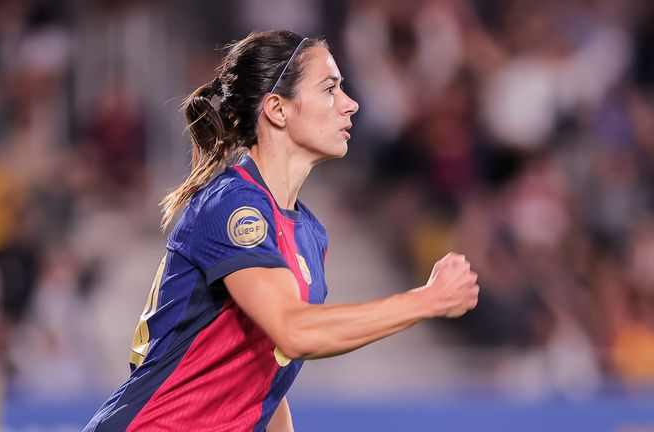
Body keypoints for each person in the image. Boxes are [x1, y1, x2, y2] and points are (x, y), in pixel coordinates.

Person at [83, 30, 479, 432]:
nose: (350, 103)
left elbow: (263, 375)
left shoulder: (309, 233)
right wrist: (428, 300)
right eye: (330, 89)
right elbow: (295, 331)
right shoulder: (234, 205)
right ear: (277, 109)